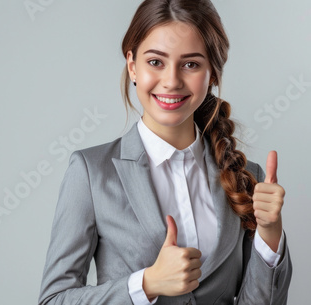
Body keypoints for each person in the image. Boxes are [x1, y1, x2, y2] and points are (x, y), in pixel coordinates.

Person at [38, 0, 292, 304]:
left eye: (191, 64)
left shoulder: (248, 177)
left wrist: (270, 233)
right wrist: (145, 284)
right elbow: (54, 299)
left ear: (212, 73)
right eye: (156, 62)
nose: (172, 81)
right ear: (132, 65)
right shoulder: (91, 173)